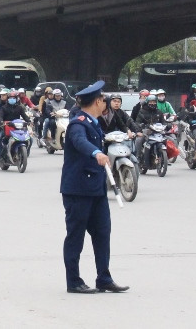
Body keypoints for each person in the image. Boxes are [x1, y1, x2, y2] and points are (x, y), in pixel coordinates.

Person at [60, 80, 128, 294]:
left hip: (96, 189)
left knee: (102, 233)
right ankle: (74, 281)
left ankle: (104, 277)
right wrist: (96, 153)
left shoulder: (95, 122)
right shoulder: (78, 123)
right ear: (97, 101)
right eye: (104, 99)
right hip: (78, 190)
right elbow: (80, 141)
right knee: (76, 235)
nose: (106, 103)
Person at [0, 91, 30, 157]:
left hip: (17, 128)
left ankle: (26, 153)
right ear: (8, 99)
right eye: (10, 98)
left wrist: (29, 121)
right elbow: (0, 116)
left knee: (30, 139)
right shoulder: (4, 108)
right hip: (6, 127)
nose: (12, 99)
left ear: (16, 99)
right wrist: (1, 122)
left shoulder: (19, 108)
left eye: (14, 98)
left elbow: (25, 116)